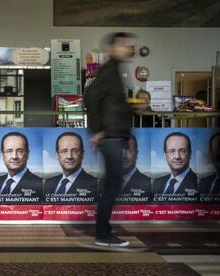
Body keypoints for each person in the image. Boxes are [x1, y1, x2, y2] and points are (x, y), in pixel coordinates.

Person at [84, 32, 136, 247]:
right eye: (125, 45)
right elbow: (90, 97)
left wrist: (133, 108)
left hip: (115, 134)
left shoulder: (115, 70)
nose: (129, 48)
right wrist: (97, 130)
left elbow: (114, 103)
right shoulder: (109, 70)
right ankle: (103, 234)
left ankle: (103, 232)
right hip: (110, 136)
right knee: (113, 184)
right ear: (114, 47)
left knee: (112, 183)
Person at [44, 132, 98, 199]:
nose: (69, 156)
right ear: (57, 155)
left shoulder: (95, 184)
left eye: (75, 151)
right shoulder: (48, 183)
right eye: (64, 151)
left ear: (82, 154)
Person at [0, 132, 42, 198]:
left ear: (27, 154)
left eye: (20, 151)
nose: (14, 157)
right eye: (9, 151)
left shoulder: (40, 185)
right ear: (2, 155)